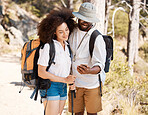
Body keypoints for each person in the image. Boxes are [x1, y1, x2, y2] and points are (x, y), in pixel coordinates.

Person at [68, 2, 106, 115]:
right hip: (75, 83)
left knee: (92, 114)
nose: (85, 21)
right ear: (78, 18)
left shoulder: (96, 37)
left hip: (92, 85)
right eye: (82, 18)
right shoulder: (71, 31)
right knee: (77, 113)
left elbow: (100, 65)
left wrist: (89, 71)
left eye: (88, 19)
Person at [37, 8, 76, 115]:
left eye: (67, 30)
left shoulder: (67, 47)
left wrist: (70, 81)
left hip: (63, 87)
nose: (65, 34)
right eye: (61, 31)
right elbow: (41, 72)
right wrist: (64, 79)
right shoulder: (48, 47)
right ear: (54, 32)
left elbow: (64, 68)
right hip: (51, 86)